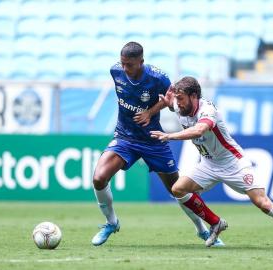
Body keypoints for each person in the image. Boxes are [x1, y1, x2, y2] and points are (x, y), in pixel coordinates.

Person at [150, 76, 273, 250]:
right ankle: (215, 223)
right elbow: (175, 107)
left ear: (194, 96)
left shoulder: (208, 110)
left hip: (233, 163)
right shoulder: (182, 107)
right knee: (178, 189)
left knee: (263, 203)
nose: (178, 103)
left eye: (181, 99)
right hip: (209, 164)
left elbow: (199, 129)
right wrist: (170, 104)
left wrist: (170, 135)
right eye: (177, 99)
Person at [91, 42, 224, 247]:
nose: (125, 69)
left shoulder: (158, 78)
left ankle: (203, 230)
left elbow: (171, 102)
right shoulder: (115, 71)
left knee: (177, 190)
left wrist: (150, 112)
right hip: (125, 137)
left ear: (141, 63)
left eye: (130, 65)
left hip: (154, 139)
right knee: (99, 178)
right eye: (123, 63)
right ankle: (111, 223)